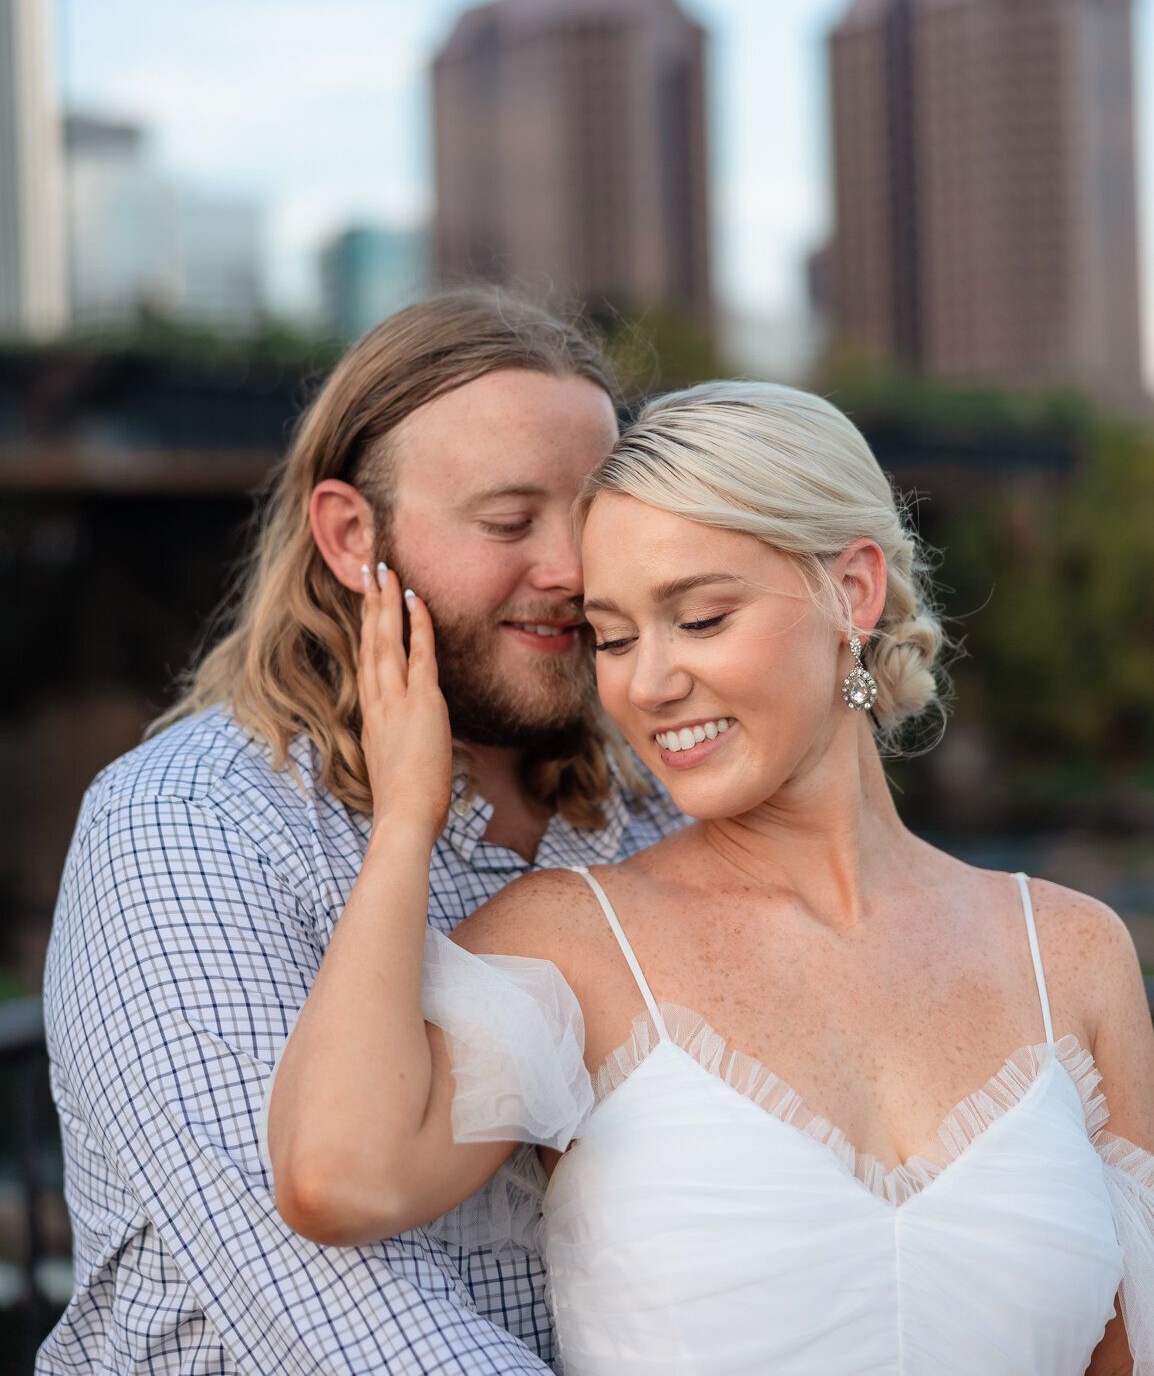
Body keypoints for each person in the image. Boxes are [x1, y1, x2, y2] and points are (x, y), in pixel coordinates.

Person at [270, 379, 1154, 1376]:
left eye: (698, 618)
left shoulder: (1070, 953)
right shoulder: (570, 943)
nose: (645, 684)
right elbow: (334, 1178)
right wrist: (404, 825)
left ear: (851, 593)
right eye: (609, 637)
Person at [38, 290, 685, 1376]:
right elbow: (343, 1327)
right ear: (350, 535)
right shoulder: (193, 827)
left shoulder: (654, 808)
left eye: (592, 514)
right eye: (508, 519)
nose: (571, 569)